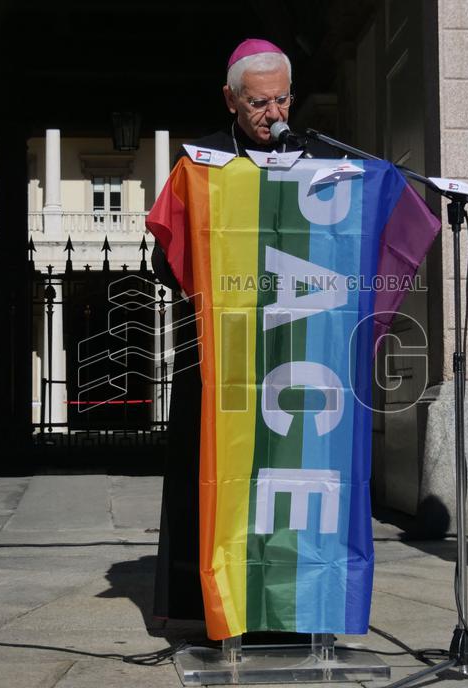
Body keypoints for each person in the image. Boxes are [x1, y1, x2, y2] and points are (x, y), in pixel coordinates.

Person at [151, 38, 343, 624]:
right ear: (230, 101)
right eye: (259, 104)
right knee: (216, 471)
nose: (274, 114)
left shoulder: (324, 162)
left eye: (282, 100)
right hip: (225, 349)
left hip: (301, 348)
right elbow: (163, 259)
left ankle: (294, 600)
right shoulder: (199, 163)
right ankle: (209, 600)